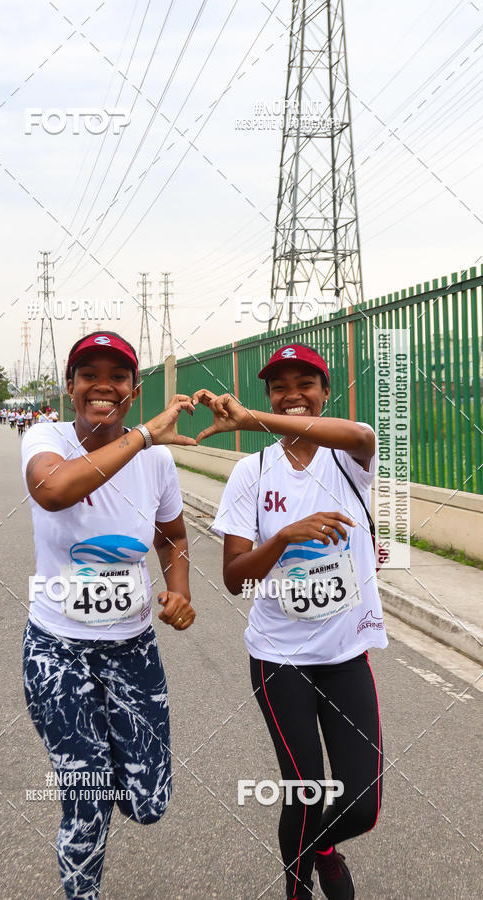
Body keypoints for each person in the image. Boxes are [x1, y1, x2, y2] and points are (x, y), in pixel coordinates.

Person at [199, 344, 385, 900]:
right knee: (303, 791)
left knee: (363, 800)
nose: (293, 394)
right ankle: (298, 887)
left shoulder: (352, 455)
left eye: (306, 383)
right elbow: (235, 578)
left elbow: (358, 435)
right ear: (270, 395)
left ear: (325, 393)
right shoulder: (251, 473)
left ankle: (322, 849)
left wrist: (251, 418)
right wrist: (283, 536)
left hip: (345, 654)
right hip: (279, 658)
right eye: (280, 387)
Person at [21, 331, 197, 899]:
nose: (103, 386)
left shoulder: (158, 463)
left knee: (149, 804)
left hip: (133, 648)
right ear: (70, 387)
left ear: (133, 389)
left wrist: (179, 591)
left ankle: (102, 773)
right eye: (88, 374)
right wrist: (144, 434)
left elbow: (173, 537)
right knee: (88, 802)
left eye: (117, 377)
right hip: (57, 651)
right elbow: (54, 491)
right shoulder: (43, 437)